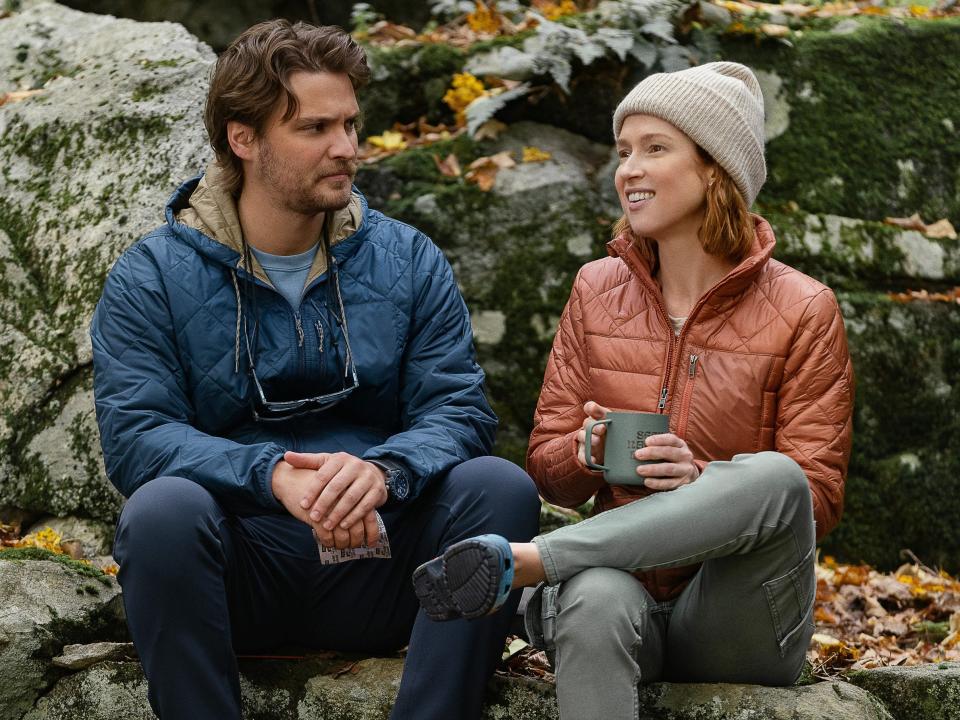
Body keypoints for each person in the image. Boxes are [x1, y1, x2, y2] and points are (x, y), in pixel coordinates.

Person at [90, 19, 540, 720]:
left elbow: (459, 411)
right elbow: (137, 437)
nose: (346, 149)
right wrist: (271, 475)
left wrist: (382, 473)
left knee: (499, 487)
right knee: (160, 513)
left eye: (351, 125)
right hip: (242, 572)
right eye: (315, 129)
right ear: (244, 139)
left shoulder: (407, 258)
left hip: (387, 566)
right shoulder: (151, 276)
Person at [412, 62, 855, 718]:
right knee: (592, 600)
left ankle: (532, 563)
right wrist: (586, 453)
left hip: (740, 620)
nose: (629, 170)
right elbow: (549, 473)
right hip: (624, 603)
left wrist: (700, 478)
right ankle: (541, 568)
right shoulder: (596, 290)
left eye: (655, 148)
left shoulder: (804, 308)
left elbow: (812, 503)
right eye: (623, 152)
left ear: (715, 170)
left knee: (778, 479)